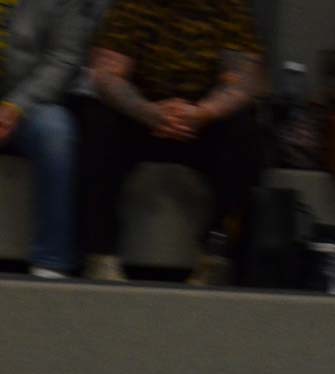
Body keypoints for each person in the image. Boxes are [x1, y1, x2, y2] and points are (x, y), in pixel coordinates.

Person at [81, 0, 264, 285]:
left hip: (203, 118)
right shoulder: (132, 5)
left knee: (247, 132)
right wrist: (148, 112)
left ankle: (217, 255)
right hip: (143, 114)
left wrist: (202, 113)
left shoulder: (230, 7)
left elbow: (243, 82)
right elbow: (107, 74)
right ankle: (101, 254)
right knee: (97, 120)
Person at [0, 0, 86, 278]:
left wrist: (14, 107)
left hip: (28, 104)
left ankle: (50, 262)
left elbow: (63, 58)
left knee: (56, 130)